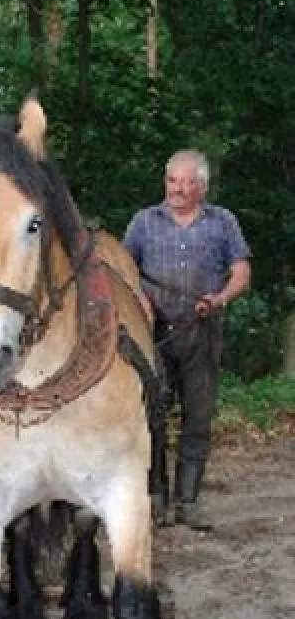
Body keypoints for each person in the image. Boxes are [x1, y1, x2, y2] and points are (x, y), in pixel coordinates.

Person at [123, 149, 251, 529]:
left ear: (202, 186)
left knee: (198, 414)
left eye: (186, 181)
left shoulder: (222, 222)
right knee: (152, 415)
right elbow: (124, 271)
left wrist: (221, 298)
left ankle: (188, 501)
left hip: (201, 329)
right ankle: (156, 495)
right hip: (153, 333)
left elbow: (241, 270)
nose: (177, 189)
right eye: (172, 180)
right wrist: (143, 304)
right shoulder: (144, 222)